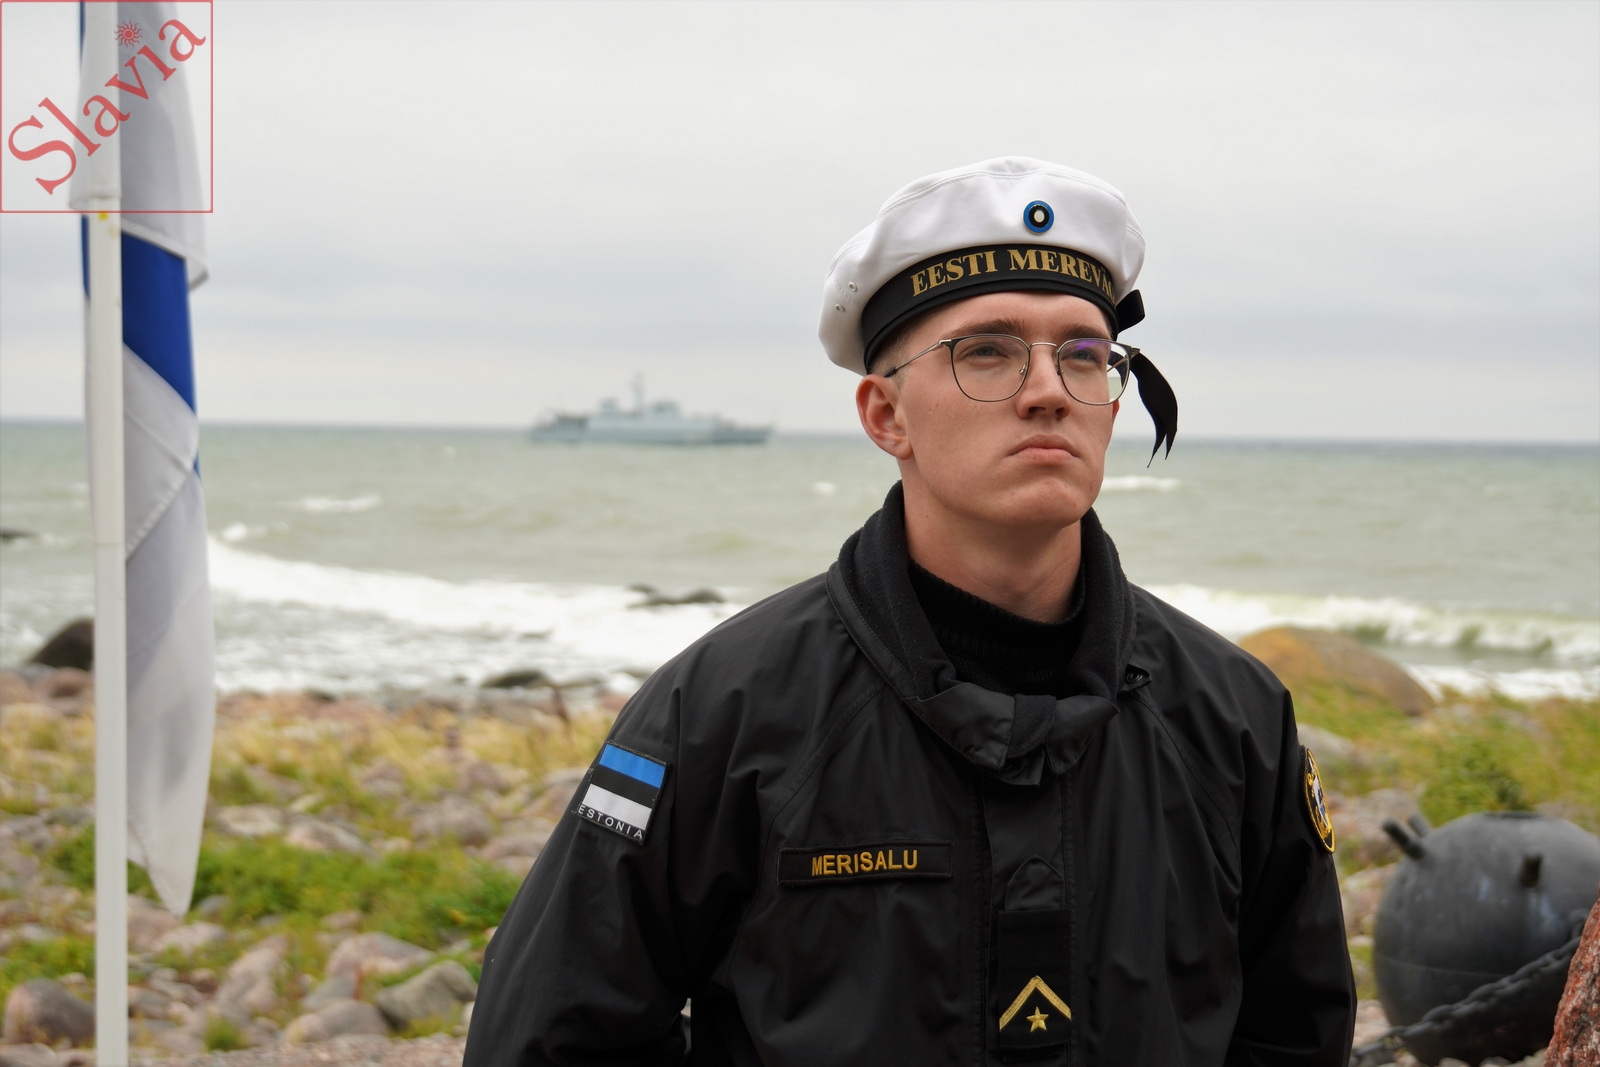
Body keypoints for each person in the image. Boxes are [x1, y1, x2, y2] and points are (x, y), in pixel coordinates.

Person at [465, 157, 1355, 1066]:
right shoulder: (722, 714)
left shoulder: (1234, 718)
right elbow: (553, 1035)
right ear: (885, 414)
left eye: (1085, 355)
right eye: (987, 351)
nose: (1049, 390)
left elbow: (1296, 1037)